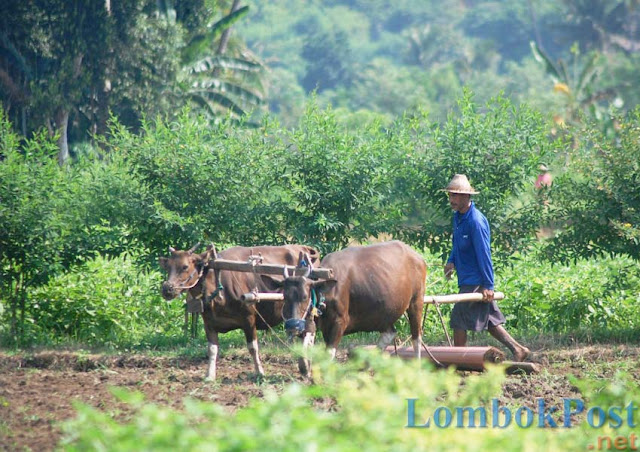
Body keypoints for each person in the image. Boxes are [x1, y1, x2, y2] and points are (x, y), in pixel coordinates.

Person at [443, 174, 531, 361]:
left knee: (458, 319)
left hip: (475, 280)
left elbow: (484, 255)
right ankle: (518, 349)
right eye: (450, 195)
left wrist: (488, 285)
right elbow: (456, 244)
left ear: (467, 197)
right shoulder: (457, 218)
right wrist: (451, 261)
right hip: (466, 277)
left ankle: (458, 361)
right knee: (490, 321)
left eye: (456, 196)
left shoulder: (476, 221)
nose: (452, 199)